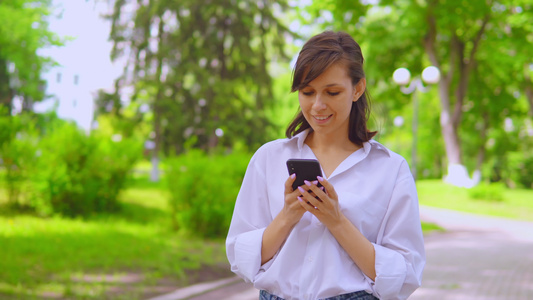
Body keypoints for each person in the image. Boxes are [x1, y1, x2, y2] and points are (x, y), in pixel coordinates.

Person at [226, 31, 425, 300]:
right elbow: (242, 257)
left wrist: (336, 220)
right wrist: (288, 216)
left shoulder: (390, 169)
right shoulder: (269, 158)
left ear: (357, 89)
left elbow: (403, 274)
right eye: (307, 92)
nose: (318, 105)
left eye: (332, 92)